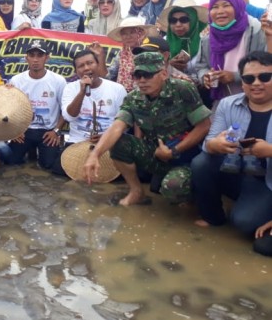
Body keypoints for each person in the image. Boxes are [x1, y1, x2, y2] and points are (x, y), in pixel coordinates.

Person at [84, 52, 211, 206]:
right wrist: (96, 154)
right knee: (119, 143)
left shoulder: (182, 89)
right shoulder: (134, 98)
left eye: (148, 75)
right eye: (138, 76)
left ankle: (193, 198)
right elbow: (117, 126)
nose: (142, 81)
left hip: (185, 157)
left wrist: (174, 151)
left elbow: (204, 126)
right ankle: (136, 191)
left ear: (164, 74)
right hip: (155, 154)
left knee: (173, 188)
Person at [191, 52, 272, 244]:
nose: (256, 83)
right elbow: (208, 143)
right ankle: (213, 216)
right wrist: (215, 144)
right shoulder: (228, 104)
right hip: (234, 171)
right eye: (249, 78)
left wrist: (270, 151)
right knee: (201, 162)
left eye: (265, 77)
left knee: (243, 222)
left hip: (266, 181)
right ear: (242, 82)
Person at [195, 0, 267, 104]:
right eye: (214, 7)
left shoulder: (255, 31)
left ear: (237, 7)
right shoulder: (208, 37)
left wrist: (235, 76)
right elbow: (200, 66)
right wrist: (206, 77)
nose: (220, 11)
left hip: (255, 101)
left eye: (226, 5)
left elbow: (266, 66)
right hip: (222, 102)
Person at [9, 40, 67, 170]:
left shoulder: (58, 81)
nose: (35, 60)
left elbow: (65, 110)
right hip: (24, 130)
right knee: (11, 161)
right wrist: (15, 131)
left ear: (47, 57)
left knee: (49, 165)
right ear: (26, 58)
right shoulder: (16, 80)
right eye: (32, 55)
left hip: (48, 132)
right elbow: (10, 108)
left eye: (39, 55)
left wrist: (56, 131)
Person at [60, 48, 127, 147]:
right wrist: (82, 92)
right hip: (77, 142)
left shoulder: (117, 89)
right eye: (81, 66)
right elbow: (69, 117)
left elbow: (124, 122)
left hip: (108, 142)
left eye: (90, 63)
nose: (86, 68)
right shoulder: (70, 88)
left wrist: (107, 136)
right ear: (76, 71)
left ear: (98, 64)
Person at [158, 0, 209, 85]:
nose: (178, 24)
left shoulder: (204, 41)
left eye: (184, 20)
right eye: (173, 20)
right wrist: (169, 65)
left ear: (193, 20)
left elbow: (208, 69)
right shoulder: (162, 43)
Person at [100, 17, 158, 92]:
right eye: (124, 34)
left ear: (141, 33)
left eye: (132, 32)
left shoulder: (150, 52)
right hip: (122, 95)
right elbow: (109, 76)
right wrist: (100, 56)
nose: (128, 36)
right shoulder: (122, 54)